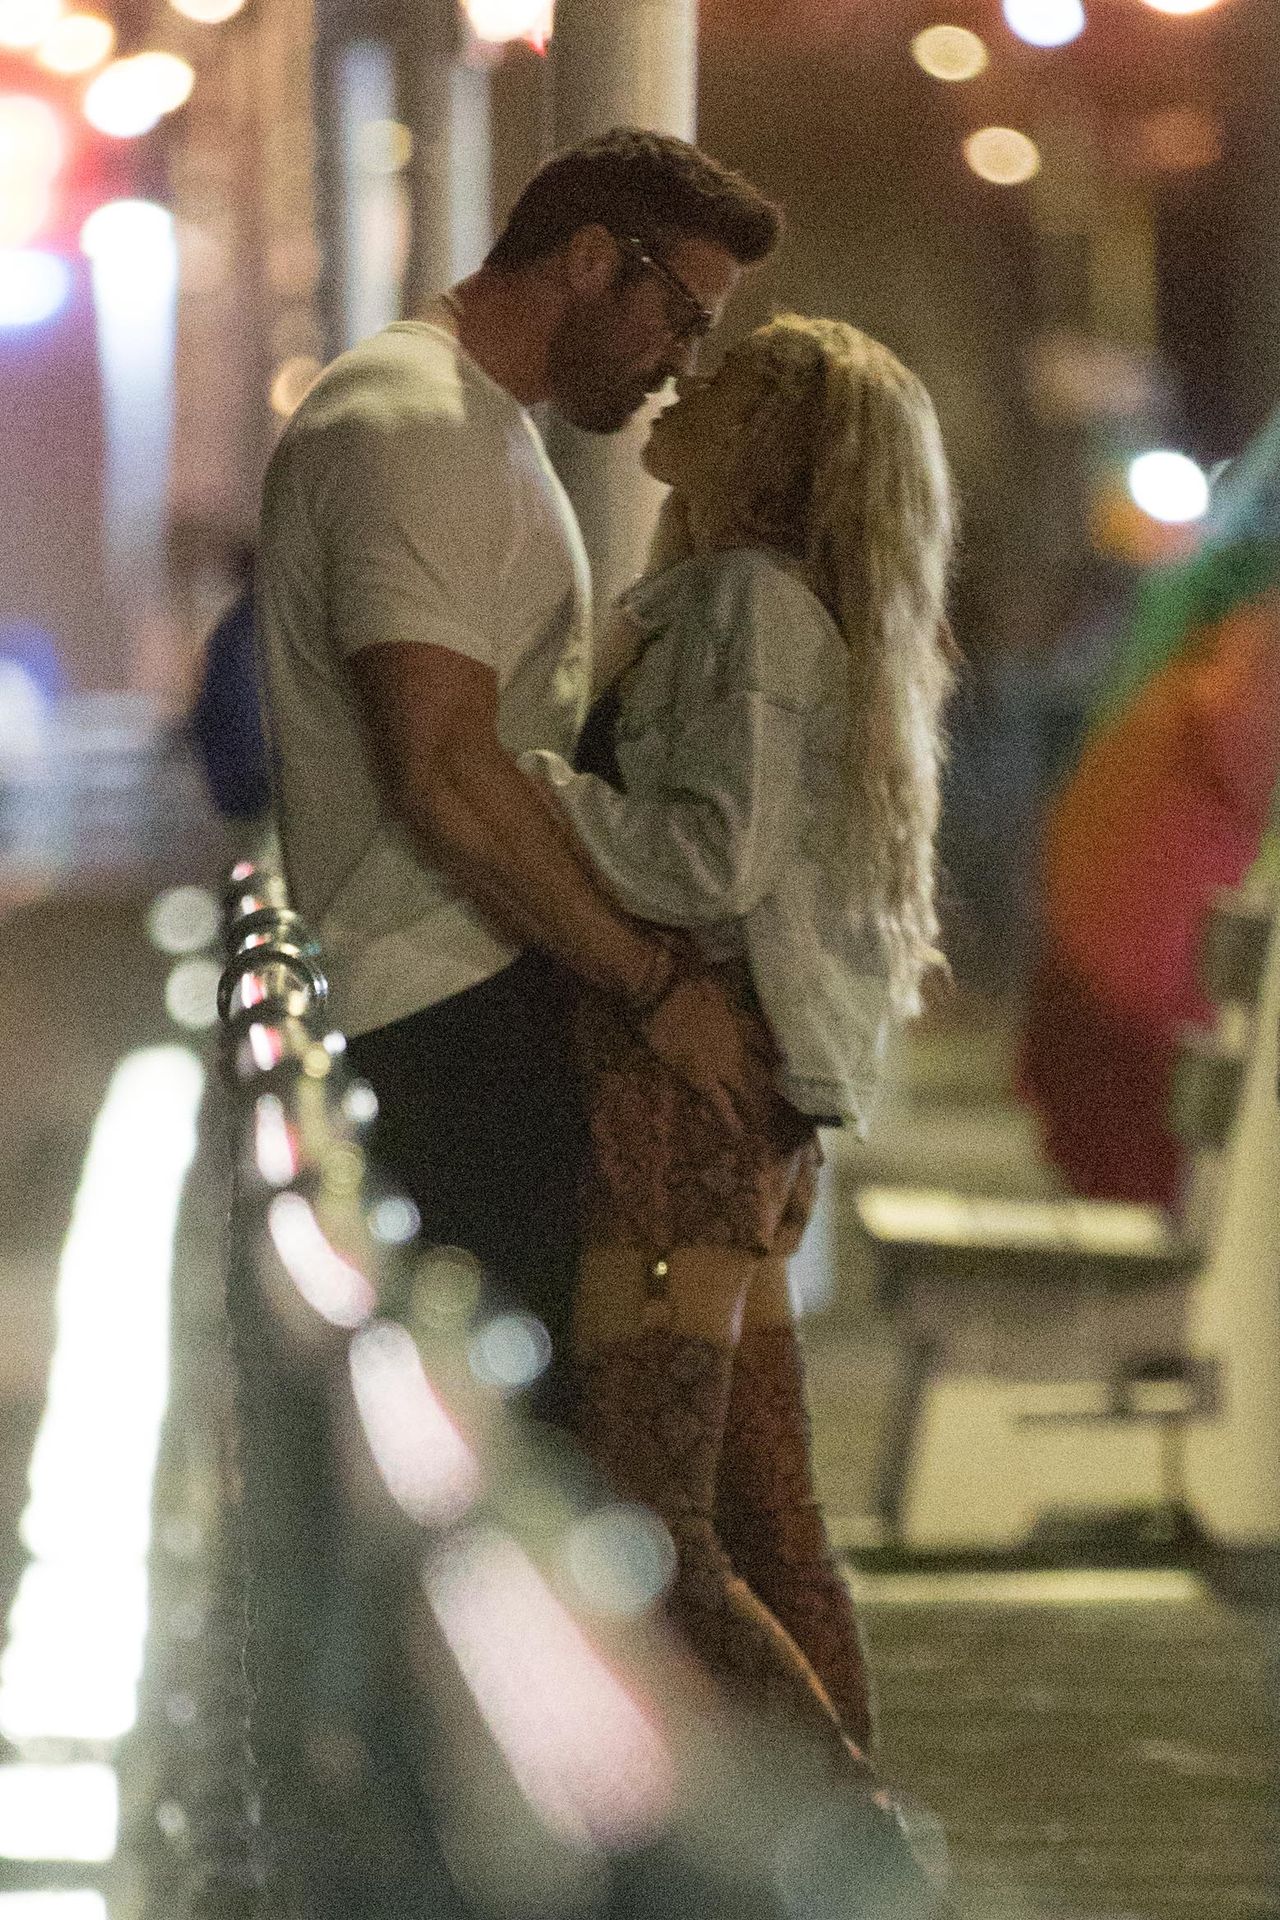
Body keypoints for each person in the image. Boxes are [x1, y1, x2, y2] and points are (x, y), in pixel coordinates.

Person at [255, 129, 782, 1402]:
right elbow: (441, 769)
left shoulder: (471, 428)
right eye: (679, 317)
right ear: (592, 259)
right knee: (499, 1443)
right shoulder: (415, 426)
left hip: (455, 1001)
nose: (679, 364)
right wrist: (653, 985)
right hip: (434, 1018)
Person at [520, 315, 955, 1781]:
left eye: (727, 384)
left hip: (686, 1107)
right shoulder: (756, 602)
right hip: (751, 1105)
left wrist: (531, 795)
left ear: (769, 448)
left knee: (654, 1527)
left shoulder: (751, 607)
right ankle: (863, 1845)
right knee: (774, 1521)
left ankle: (844, 1853)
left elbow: (708, 861)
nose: (681, 386)